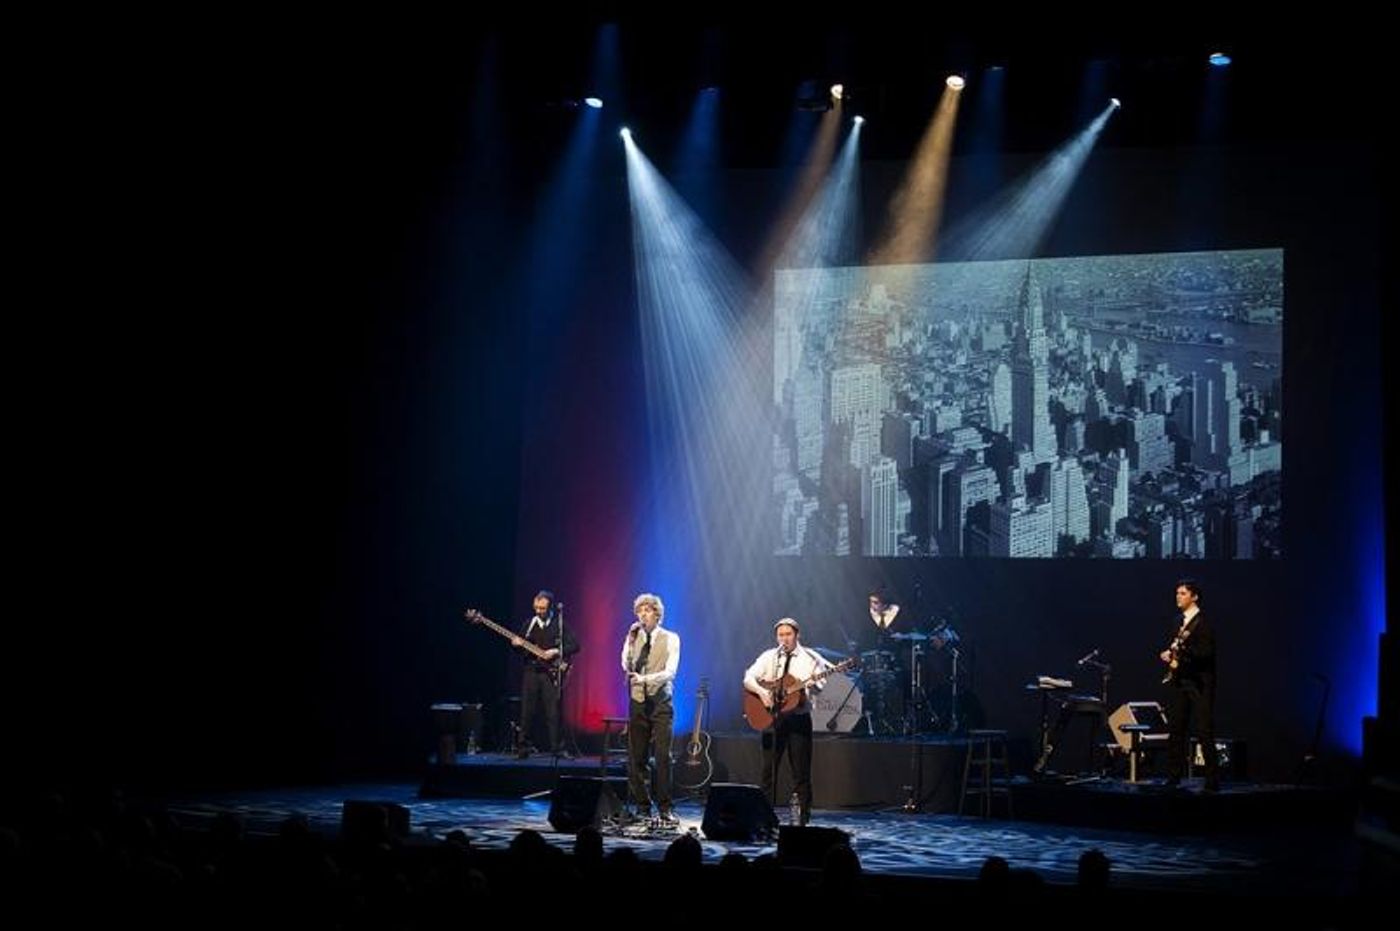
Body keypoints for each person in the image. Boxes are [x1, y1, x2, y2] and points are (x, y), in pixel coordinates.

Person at [743, 618, 832, 825]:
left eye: (788, 634)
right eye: (780, 635)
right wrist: (763, 693)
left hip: (798, 720)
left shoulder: (810, 657)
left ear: (797, 635)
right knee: (768, 771)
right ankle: (763, 818)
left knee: (801, 772)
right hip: (772, 720)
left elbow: (822, 685)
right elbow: (748, 678)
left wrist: (815, 683)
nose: (784, 639)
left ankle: (802, 819)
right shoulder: (769, 656)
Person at [620, 592, 681, 822]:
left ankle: (665, 807)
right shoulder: (633, 637)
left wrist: (644, 680)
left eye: (647, 610)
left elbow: (670, 672)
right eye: (639, 611)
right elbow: (625, 663)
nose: (642, 615)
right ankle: (643, 807)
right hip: (637, 702)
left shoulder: (671, 638)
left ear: (657, 614)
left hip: (660, 702)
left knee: (662, 756)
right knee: (637, 756)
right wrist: (629, 639)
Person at [1159, 578, 1218, 791]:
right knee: (1176, 728)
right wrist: (1169, 654)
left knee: (1204, 730)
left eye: (1183, 593)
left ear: (1194, 596)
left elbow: (1206, 653)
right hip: (1180, 680)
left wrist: (1184, 652)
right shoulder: (1177, 621)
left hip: (1199, 683)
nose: (1178, 596)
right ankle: (1174, 776)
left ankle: (1212, 779)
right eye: (1177, 592)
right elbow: (1177, 647)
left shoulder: (1203, 622)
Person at [512, 589, 578, 757]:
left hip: (551, 673)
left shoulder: (559, 624)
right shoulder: (529, 624)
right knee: (527, 710)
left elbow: (575, 645)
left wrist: (556, 651)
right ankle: (523, 746)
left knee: (553, 711)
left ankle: (557, 748)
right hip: (531, 671)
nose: (538, 611)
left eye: (542, 608)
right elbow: (520, 651)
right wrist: (517, 645)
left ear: (550, 608)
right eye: (536, 608)